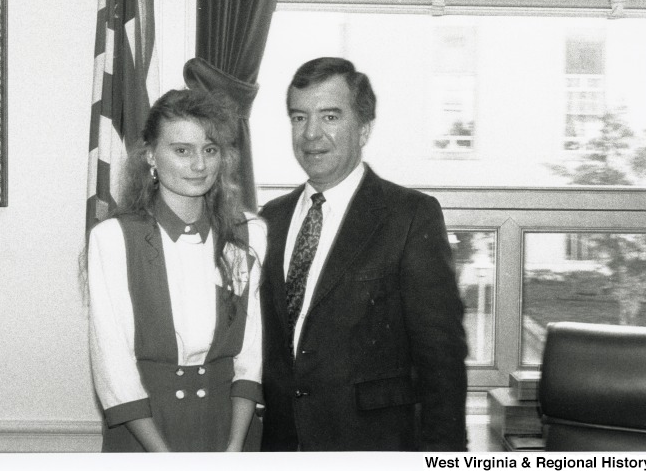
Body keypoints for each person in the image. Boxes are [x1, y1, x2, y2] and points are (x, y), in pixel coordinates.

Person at [259, 57, 468, 452]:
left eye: (330, 116)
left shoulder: (409, 216)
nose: (311, 134)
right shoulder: (270, 219)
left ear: (365, 128)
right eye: (299, 118)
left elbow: (442, 360)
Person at [86, 89, 266, 452]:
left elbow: (250, 355)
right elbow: (112, 364)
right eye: (182, 150)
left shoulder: (246, 233)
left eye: (210, 149)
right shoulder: (114, 239)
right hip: (146, 432)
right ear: (151, 155)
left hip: (230, 427)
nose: (199, 165)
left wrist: (235, 446)